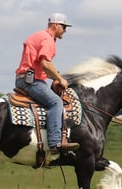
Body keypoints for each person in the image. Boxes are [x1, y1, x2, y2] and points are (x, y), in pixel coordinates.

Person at [15, 13, 80, 155]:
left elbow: (41, 66)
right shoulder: (47, 39)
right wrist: (60, 79)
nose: (65, 30)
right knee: (56, 102)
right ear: (55, 25)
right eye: (64, 27)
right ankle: (55, 143)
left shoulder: (39, 36)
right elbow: (45, 63)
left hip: (26, 78)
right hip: (31, 81)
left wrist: (55, 77)